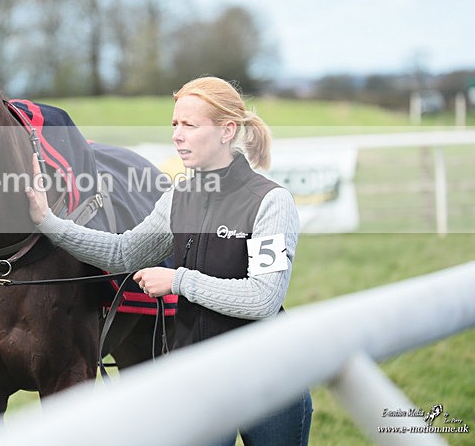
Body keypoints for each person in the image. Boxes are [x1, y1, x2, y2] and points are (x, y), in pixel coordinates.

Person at [26, 76, 312, 445]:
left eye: (189, 125)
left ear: (227, 130)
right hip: (198, 382)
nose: (177, 135)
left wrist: (177, 281)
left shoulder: (270, 201)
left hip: (271, 377)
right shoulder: (178, 197)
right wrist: (49, 223)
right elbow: (123, 252)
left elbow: (263, 298)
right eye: (175, 124)